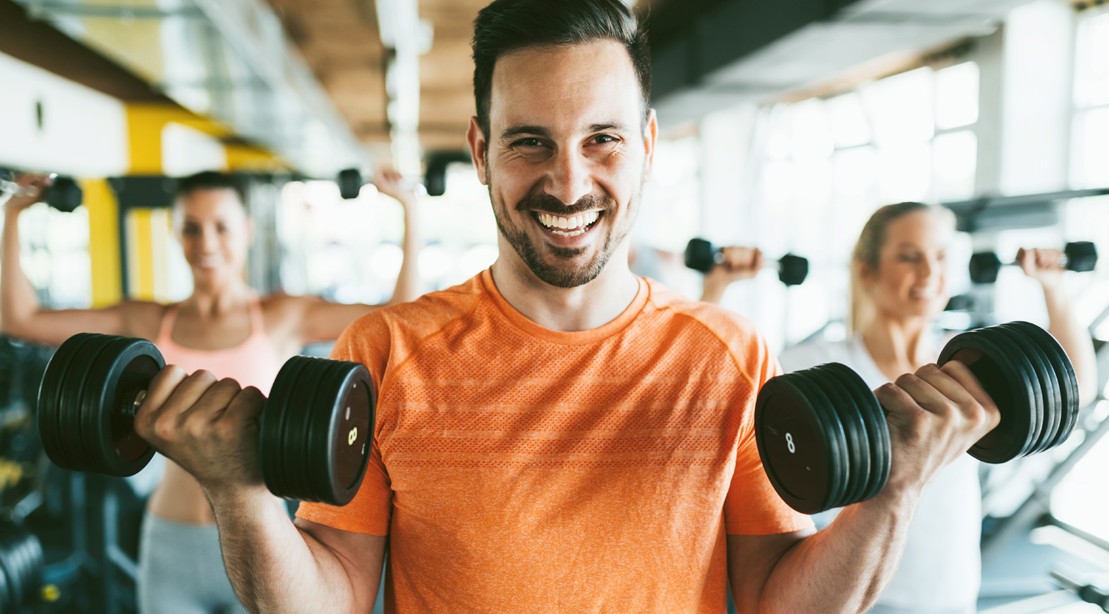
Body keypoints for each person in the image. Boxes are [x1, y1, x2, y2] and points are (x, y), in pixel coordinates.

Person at [126, 1, 1004, 611]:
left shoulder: (726, 354)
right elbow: (329, 601)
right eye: (529, 142)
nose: (569, 179)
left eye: (602, 140)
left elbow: (783, 601)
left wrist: (889, 496)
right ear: (479, 149)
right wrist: (239, 497)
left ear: (648, 145)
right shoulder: (386, 350)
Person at [1, 168, 422, 613]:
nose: (206, 242)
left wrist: (410, 211)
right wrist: (12, 213)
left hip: (263, 539)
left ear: (246, 231)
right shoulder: (148, 321)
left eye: (221, 226)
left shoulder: (281, 315)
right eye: (191, 228)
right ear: (175, 233)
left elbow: (399, 317)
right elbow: (20, 319)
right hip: (171, 536)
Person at [777, 201, 1098, 614]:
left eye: (941, 256)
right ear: (866, 269)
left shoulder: (972, 367)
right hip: (854, 591)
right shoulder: (809, 364)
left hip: (951, 590)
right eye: (909, 257)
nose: (929, 273)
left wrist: (1052, 287)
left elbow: (1075, 391)